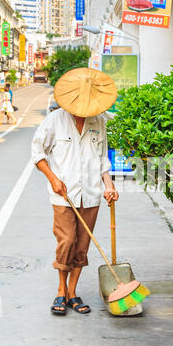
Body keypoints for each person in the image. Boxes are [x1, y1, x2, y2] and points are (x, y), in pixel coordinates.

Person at [31, 68, 119, 316]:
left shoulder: (99, 121)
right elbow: (37, 153)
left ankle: (72, 292)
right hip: (63, 194)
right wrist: (53, 178)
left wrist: (109, 185)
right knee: (67, 241)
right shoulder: (55, 120)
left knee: (82, 245)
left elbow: (102, 159)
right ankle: (61, 290)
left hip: (91, 193)